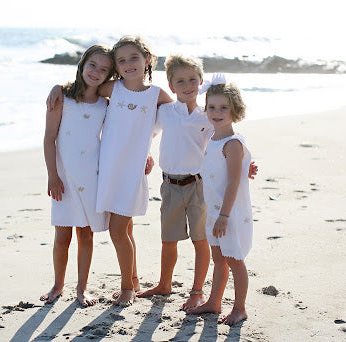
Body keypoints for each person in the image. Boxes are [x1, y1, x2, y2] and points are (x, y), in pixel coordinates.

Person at [47, 35, 172, 306]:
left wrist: (150, 147)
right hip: (106, 171)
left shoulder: (156, 94)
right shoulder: (111, 91)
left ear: (147, 60)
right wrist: (57, 86)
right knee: (124, 229)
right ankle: (134, 279)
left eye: (134, 58)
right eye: (122, 60)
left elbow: (174, 119)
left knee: (118, 231)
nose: (128, 64)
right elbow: (82, 90)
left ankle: (127, 286)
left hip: (130, 171)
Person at [138, 56, 257, 311]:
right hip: (170, 184)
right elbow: (147, 132)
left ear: (201, 82)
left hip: (201, 186)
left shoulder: (207, 115)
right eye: (180, 81)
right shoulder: (165, 112)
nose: (187, 85)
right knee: (168, 239)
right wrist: (146, 155)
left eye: (193, 80)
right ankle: (164, 284)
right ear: (171, 85)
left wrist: (247, 165)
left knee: (201, 240)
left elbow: (230, 146)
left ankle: (196, 291)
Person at [41, 44, 114, 307]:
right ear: (83, 63)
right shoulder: (62, 97)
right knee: (62, 236)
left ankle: (82, 289)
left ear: (109, 75)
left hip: (91, 178)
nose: (96, 72)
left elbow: (117, 136)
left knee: (86, 235)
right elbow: (49, 139)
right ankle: (58, 284)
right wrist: (53, 176)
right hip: (63, 178)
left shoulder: (106, 105)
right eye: (92, 65)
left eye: (104, 69)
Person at [187, 75, 253, 325]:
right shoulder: (213, 139)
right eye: (212, 107)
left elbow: (234, 182)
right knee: (218, 259)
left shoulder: (232, 143)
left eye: (224, 107)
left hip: (229, 213)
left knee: (234, 259)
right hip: (213, 210)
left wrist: (225, 217)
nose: (217, 112)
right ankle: (214, 302)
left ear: (235, 111)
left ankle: (239, 308)